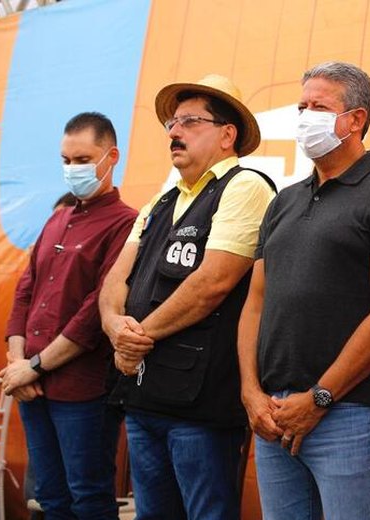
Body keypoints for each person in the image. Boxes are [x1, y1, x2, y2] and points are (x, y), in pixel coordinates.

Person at [237, 61, 370, 520]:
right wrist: (251, 394)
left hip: (348, 415)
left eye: (318, 106)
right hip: (273, 413)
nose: (305, 117)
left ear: (356, 119)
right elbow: (255, 302)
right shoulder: (284, 199)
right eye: (301, 106)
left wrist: (321, 396)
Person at [98, 74, 274, 519]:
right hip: (143, 395)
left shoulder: (245, 186)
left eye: (190, 121)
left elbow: (212, 283)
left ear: (227, 134)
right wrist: (115, 326)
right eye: (172, 123)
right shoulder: (161, 199)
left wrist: (136, 337)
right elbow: (115, 280)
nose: (174, 132)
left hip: (201, 406)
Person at [3, 112, 137, 519]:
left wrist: (35, 366)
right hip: (32, 387)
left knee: (89, 496)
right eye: (66, 161)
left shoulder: (126, 224)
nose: (72, 169)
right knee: (49, 497)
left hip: (83, 393)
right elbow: (26, 289)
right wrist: (17, 363)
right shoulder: (57, 217)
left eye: (82, 160)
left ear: (111, 156)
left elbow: (96, 311)